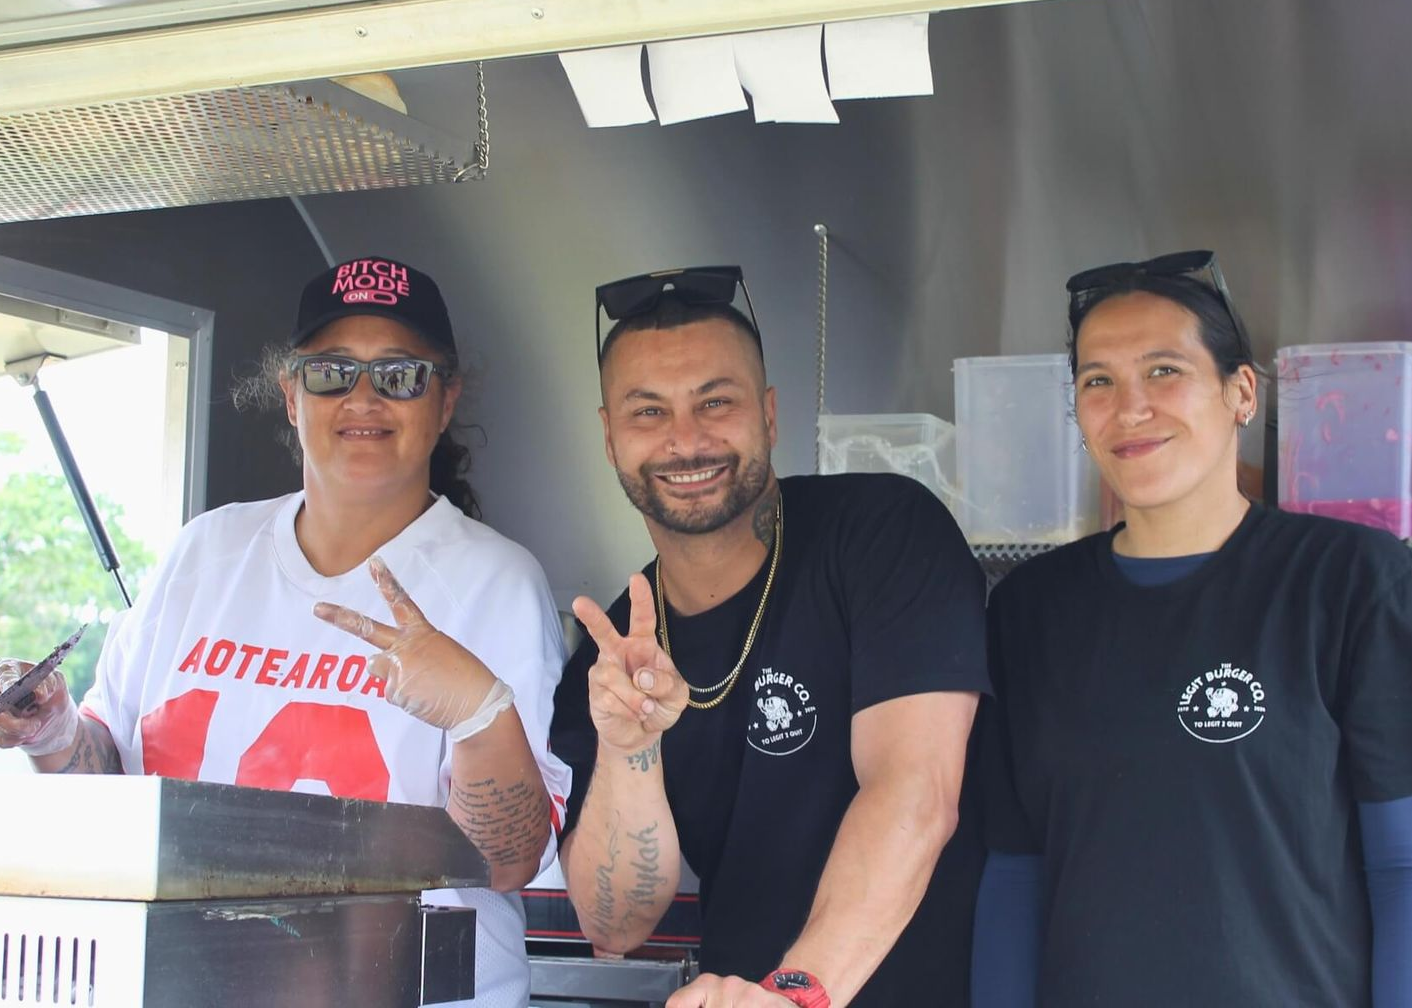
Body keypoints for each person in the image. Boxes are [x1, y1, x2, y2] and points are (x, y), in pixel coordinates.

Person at [0, 255, 570, 1008]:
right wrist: (51, 729)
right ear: (292, 395)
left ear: (444, 399)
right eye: (331, 371)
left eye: (399, 374)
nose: (363, 397)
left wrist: (477, 713)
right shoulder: (203, 552)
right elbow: (113, 783)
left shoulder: (495, 582)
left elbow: (510, 860)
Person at [972, 250, 1412, 1006]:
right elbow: (1016, 871)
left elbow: (1401, 865)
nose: (1129, 407)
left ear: (1241, 392)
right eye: (1097, 381)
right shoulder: (1029, 609)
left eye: (1164, 371)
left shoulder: (1350, 582)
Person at [550, 266, 990, 1007]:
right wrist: (632, 754)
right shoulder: (618, 651)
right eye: (648, 412)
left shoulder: (881, 532)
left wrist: (795, 993)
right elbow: (615, 924)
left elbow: (915, 792)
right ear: (608, 437)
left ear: (770, 415)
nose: (686, 441)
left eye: (715, 402)